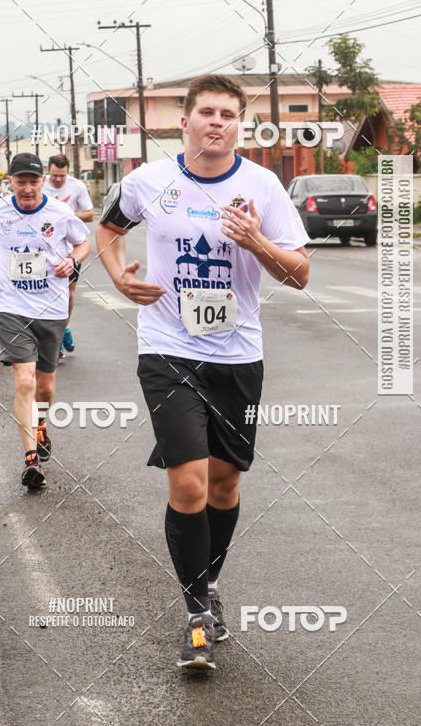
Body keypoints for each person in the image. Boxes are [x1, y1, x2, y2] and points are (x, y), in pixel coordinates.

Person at [96, 74, 310, 669]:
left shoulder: (262, 186)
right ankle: (196, 611)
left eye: (229, 114)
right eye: (207, 112)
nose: (218, 122)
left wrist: (257, 242)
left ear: (240, 124)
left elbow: (299, 274)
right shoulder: (147, 181)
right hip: (167, 350)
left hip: (237, 356)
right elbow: (108, 229)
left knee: (224, 484)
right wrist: (119, 277)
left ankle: (209, 582)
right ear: (184, 121)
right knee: (188, 482)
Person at [0, 152, 90, 489]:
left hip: (51, 308)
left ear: (43, 181)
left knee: (45, 387)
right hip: (11, 306)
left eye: (33, 181)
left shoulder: (60, 213)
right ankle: (31, 460)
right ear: (10, 182)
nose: (28, 188)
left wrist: (72, 261)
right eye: (21, 182)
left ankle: (41, 424)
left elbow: (84, 243)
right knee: (25, 381)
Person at [43, 154, 94, 355]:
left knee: (68, 293)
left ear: (68, 172)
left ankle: (64, 327)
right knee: (44, 292)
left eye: (62, 176)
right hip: (44, 248)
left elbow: (90, 214)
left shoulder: (76, 186)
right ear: (48, 171)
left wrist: (65, 216)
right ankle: (49, 338)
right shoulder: (40, 185)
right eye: (54, 175)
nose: (58, 179)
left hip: (69, 250)